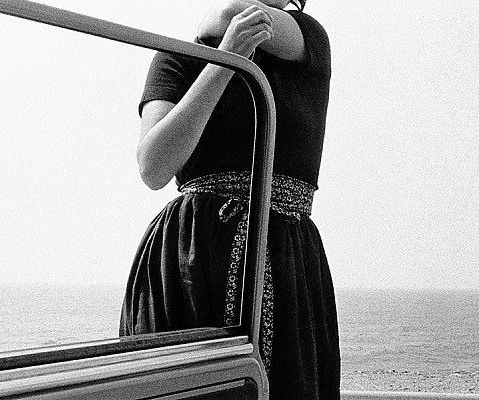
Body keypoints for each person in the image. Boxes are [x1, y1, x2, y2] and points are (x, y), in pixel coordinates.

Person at [119, 0, 340, 398]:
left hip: (285, 258)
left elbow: (231, 15)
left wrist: (228, 32)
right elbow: (153, 167)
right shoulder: (176, 58)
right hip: (190, 257)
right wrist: (223, 61)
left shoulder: (308, 39)